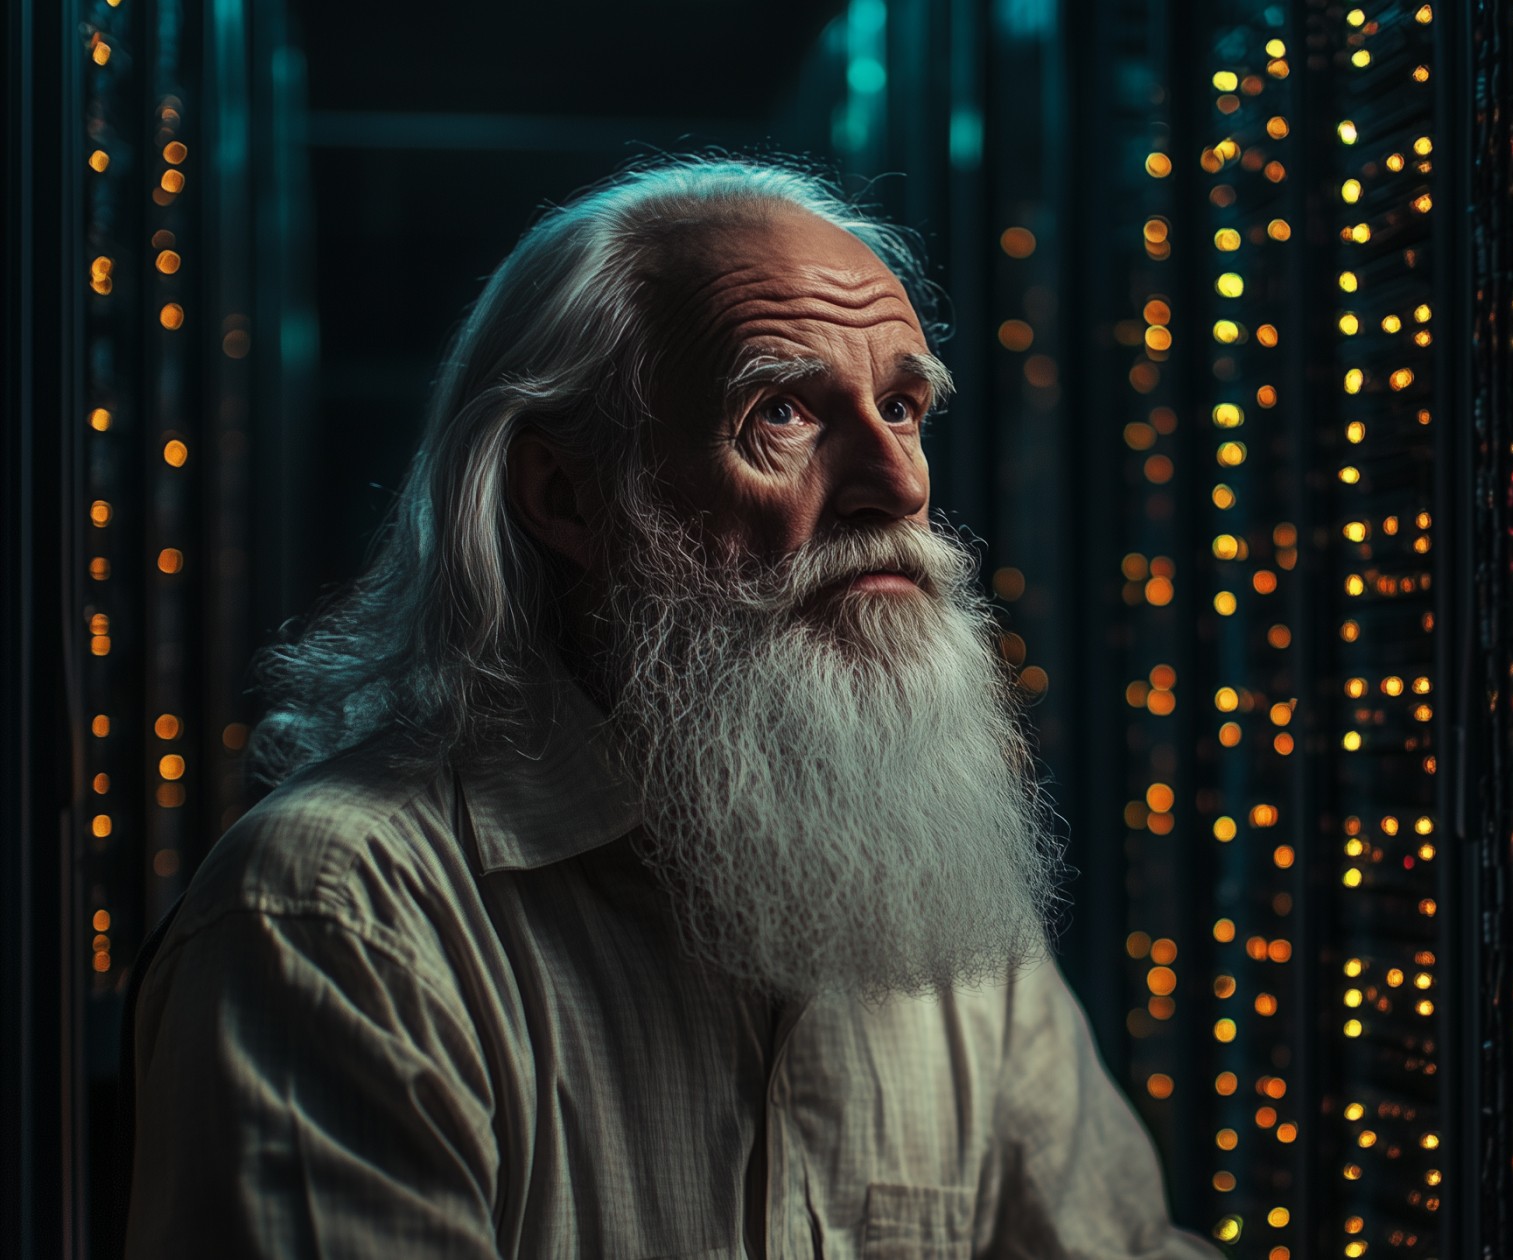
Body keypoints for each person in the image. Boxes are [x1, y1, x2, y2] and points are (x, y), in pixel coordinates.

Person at [121, 155, 1213, 1259]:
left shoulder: (936, 887)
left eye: (903, 407)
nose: (901, 484)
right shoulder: (339, 919)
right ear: (566, 495)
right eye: (780, 411)